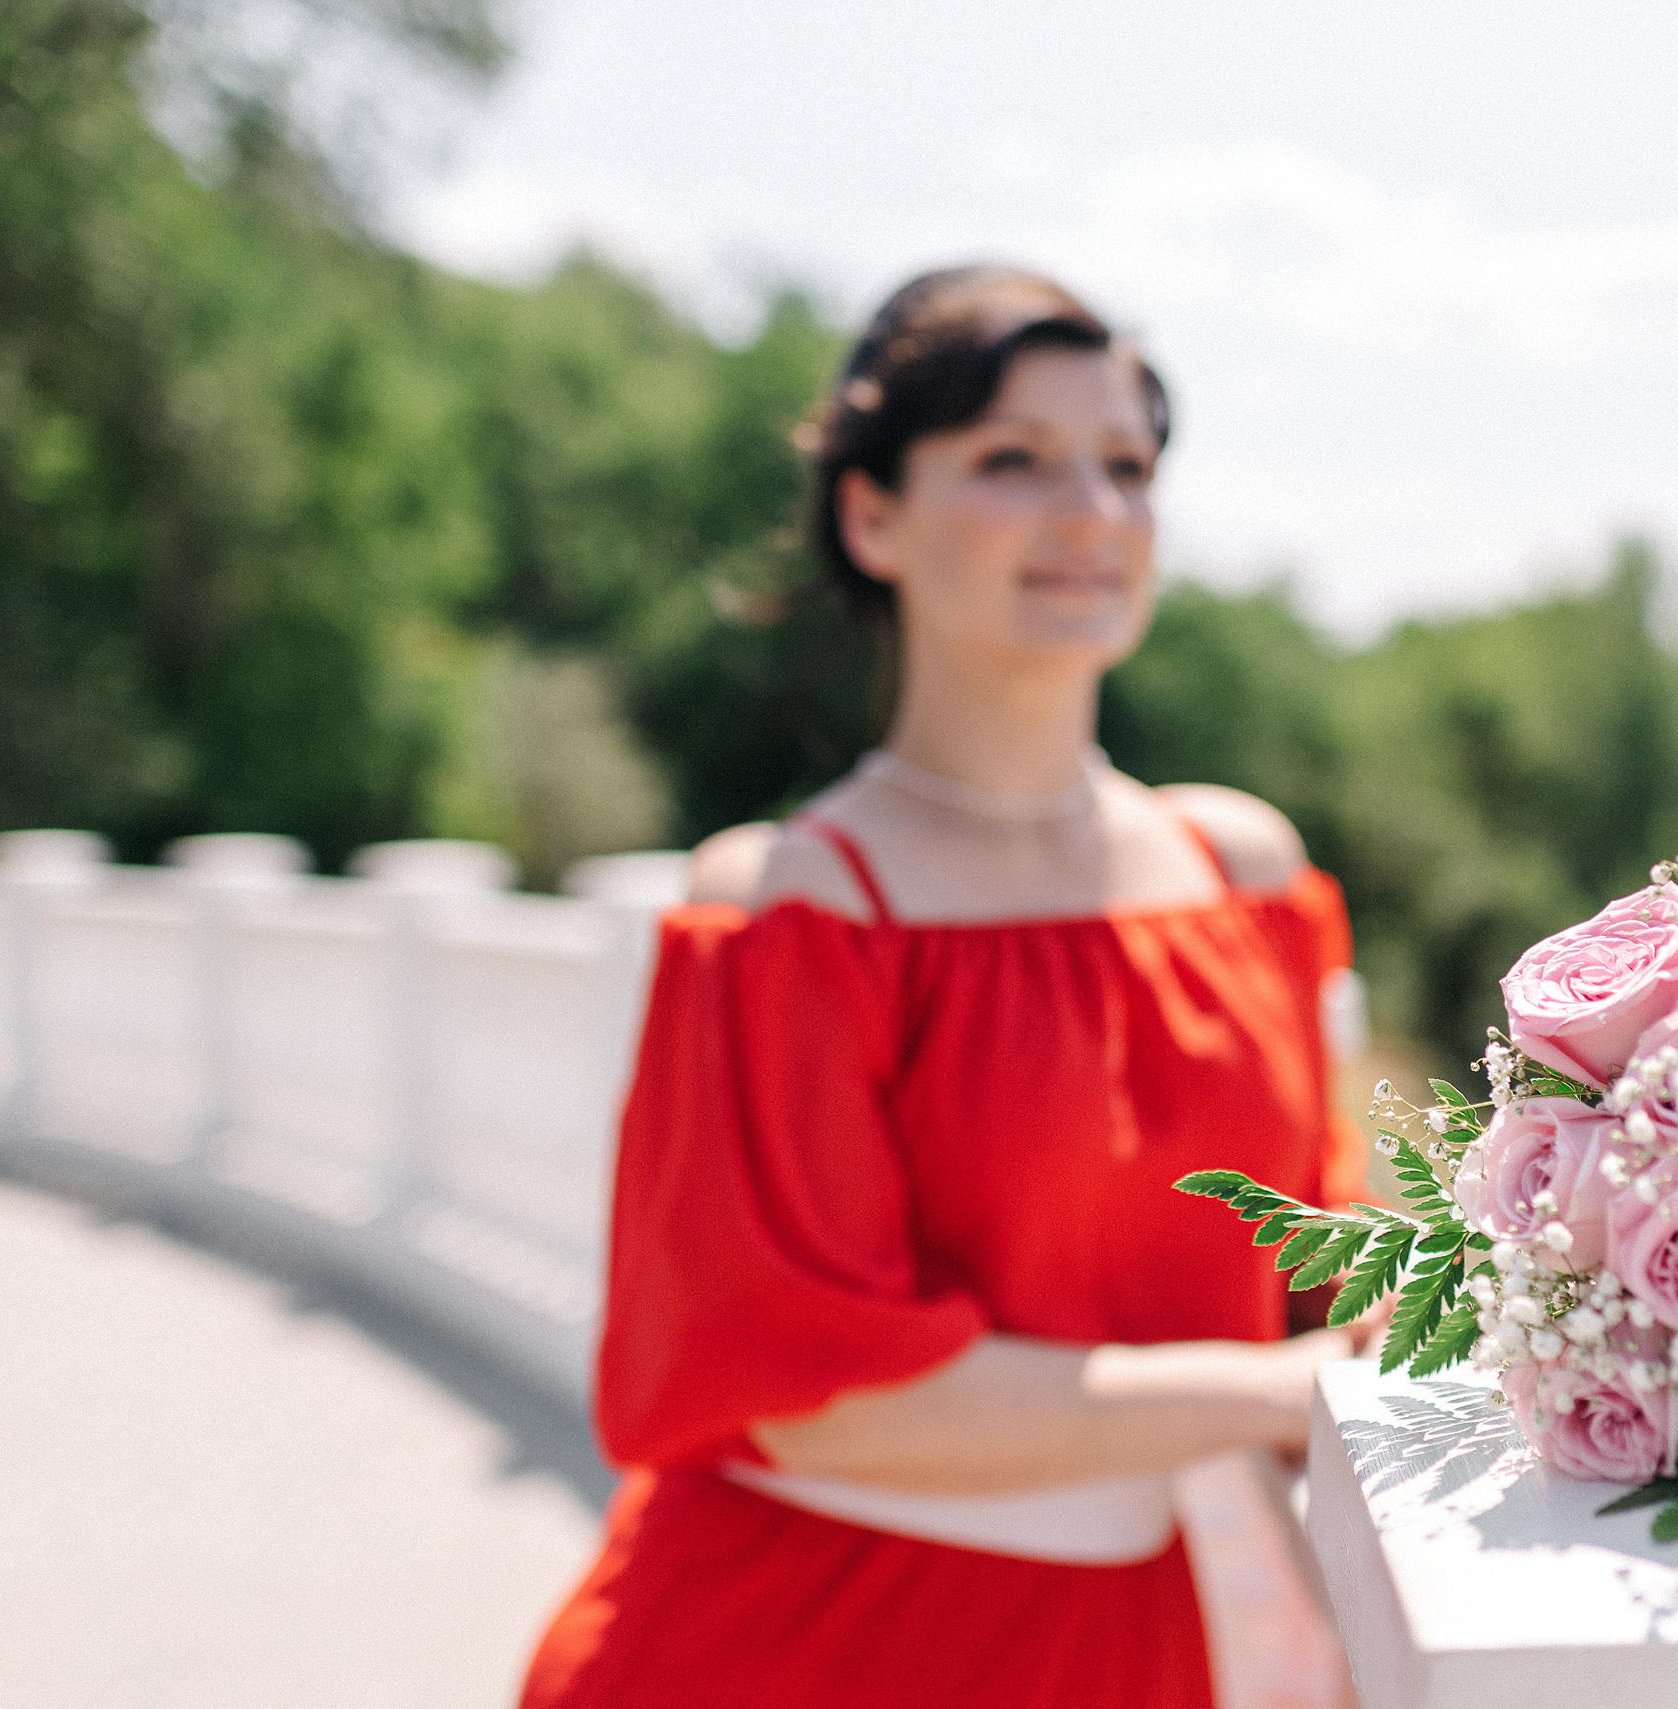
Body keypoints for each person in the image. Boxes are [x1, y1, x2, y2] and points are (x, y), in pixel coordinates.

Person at [520, 266, 1371, 1708]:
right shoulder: (793, 905)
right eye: (1012, 460)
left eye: (1125, 465)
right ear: (871, 515)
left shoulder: (1245, 879)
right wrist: (1276, 1399)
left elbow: (1323, 1267)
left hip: (1130, 1647)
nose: (1089, 512)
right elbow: (818, 1397)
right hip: (796, 1645)